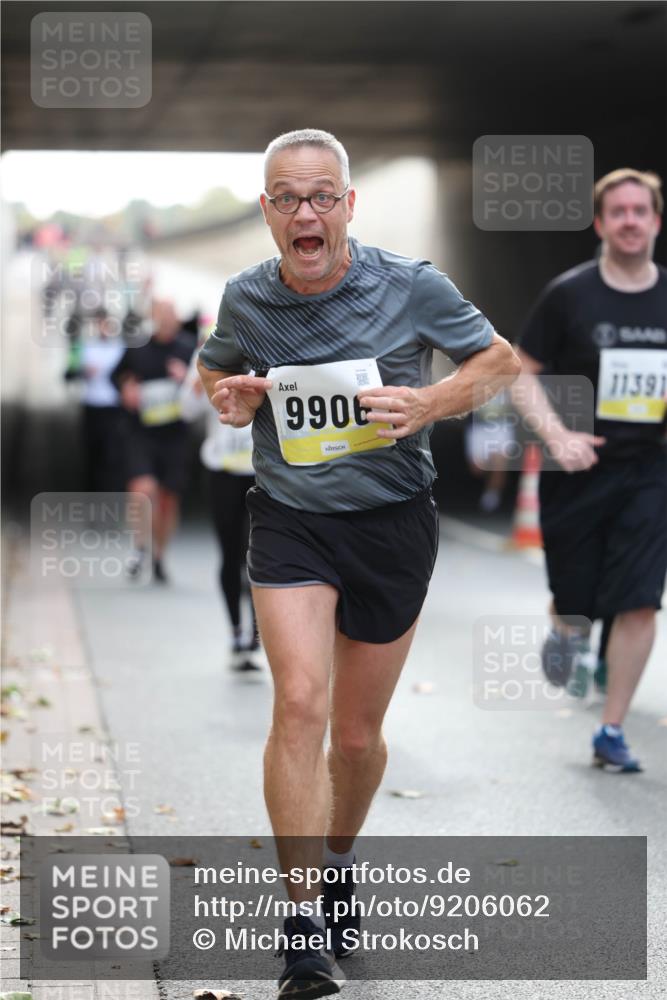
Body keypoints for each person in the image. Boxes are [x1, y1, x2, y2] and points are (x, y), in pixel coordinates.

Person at [196, 128, 520, 1000]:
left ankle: (338, 861)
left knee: (355, 736)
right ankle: (301, 927)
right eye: (286, 198)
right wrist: (224, 397)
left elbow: (498, 360)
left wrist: (429, 401)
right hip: (291, 520)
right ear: (266, 211)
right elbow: (215, 370)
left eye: (321, 196)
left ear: (348, 203)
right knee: (300, 704)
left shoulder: (411, 284)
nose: (306, 213)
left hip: (391, 525)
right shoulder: (247, 297)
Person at [515, 168, 666, 773]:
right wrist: (557, 434)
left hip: (651, 468)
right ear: (601, 224)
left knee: (638, 602)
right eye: (619, 212)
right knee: (577, 594)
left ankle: (611, 729)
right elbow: (518, 370)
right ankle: (567, 628)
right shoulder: (569, 294)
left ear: (655, 221)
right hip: (577, 469)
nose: (630, 220)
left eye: (641, 211)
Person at [180, 342, 261, 670]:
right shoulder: (207, 357)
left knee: (258, 554)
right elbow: (185, 410)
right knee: (230, 554)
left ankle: (256, 634)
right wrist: (198, 383)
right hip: (222, 471)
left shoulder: (266, 351)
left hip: (260, 472)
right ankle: (235, 629)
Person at [111, 299, 195, 582]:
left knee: (168, 500)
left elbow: (205, 383)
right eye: (161, 314)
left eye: (171, 314)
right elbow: (116, 377)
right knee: (141, 489)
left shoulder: (188, 349)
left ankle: (160, 556)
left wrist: (185, 378)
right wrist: (126, 388)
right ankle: (139, 547)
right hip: (141, 432)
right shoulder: (138, 348)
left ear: (177, 318)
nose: (166, 320)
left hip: (174, 435)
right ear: (153, 317)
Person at [64, 307, 127, 493]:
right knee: (92, 455)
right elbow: (68, 374)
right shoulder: (83, 346)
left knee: (112, 456)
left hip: (113, 408)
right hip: (91, 407)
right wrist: (82, 371)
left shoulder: (120, 347)